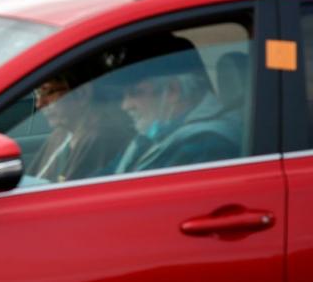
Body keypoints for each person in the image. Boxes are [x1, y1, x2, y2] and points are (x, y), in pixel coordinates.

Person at [112, 34, 241, 174]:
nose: (125, 105)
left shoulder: (207, 145)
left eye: (135, 93)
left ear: (172, 91)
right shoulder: (155, 136)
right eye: (123, 95)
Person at [27, 72, 136, 183]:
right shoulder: (60, 134)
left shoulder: (102, 138)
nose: (39, 104)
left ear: (81, 94)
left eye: (47, 92)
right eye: (37, 95)